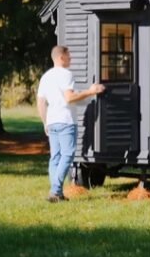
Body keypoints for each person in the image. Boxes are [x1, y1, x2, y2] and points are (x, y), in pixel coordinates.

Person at [36, 45, 105, 202]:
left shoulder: (46, 77)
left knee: (56, 157)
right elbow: (69, 98)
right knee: (67, 155)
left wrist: (45, 122)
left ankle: (57, 193)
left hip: (52, 121)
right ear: (61, 57)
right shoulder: (66, 74)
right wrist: (91, 91)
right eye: (69, 56)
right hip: (65, 120)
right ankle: (55, 191)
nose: (71, 59)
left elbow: (40, 102)